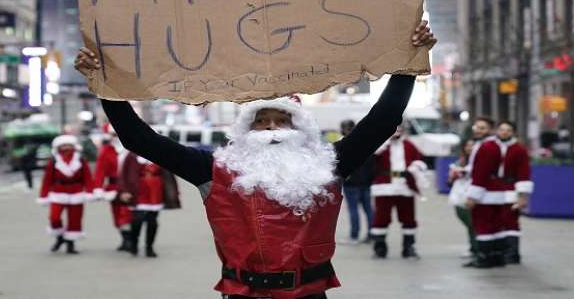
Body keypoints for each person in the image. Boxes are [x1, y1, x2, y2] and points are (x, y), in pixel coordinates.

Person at [74, 21, 435, 298]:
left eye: (281, 120)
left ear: (300, 127)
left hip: (310, 294)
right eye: (261, 121)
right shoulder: (213, 169)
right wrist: (104, 85)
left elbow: (383, 120)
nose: (272, 129)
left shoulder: (328, 165)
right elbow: (140, 139)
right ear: (246, 130)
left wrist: (409, 63)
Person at [369, 124, 425, 259]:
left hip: (405, 185)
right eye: (393, 129)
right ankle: (379, 247)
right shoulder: (380, 145)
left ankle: (409, 247)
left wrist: (415, 167)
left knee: (408, 218)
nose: (396, 132)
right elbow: (371, 157)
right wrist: (384, 142)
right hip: (384, 186)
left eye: (399, 129)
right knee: (381, 218)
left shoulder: (408, 144)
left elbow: (419, 160)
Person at [463, 117, 511, 269]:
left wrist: (472, 196)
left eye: (482, 128)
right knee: (496, 225)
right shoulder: (490, 145)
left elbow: (481, 173)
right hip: (493, 191)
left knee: (482, 225)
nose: (478, 130)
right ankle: (497, 257)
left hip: (485, 193)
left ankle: (483, 258)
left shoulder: (487, 146)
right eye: (476, 127)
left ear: (490, 130)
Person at [37, 135, 94, 254]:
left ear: (73, 146)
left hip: (76, 192)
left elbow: (87, 177)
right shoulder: (53, 161)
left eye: (68, 145)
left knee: (75, 219)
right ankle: (60, 237)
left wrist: (90, 191)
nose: (66, 147)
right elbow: (47, 179)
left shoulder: (80, 159)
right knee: (54, 217)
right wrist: (44, 195)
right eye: (63, 145)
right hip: (58, 192)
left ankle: (70, 244)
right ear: (58, 147)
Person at [119, 151, 181, 257]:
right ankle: (134, 244)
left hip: (155, 191)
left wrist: (173, 192)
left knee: (152, 221)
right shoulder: (131, 155)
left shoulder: (159, 154)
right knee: (137, 220)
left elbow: (169, 175)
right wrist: (124, 190)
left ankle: (149, 247)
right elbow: (123, 174)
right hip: (138, 191)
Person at [492, 120, 533, 264]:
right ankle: (498, 251)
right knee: (494, 220)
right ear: (497, 131)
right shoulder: (490, 147)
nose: (504, 132)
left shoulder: (519, 150)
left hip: (511, 188)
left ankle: (512, 253)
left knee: (511, 221)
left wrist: (522, 196)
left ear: (513, 132)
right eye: (501, 129)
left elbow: (524, 173)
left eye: (508, 130)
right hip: (493, 188)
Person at [93, 123, 134, 252]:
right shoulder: (106, 151)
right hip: (113, 186)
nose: (116, 136)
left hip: (130, 186)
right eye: (113, 134)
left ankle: (131, 239)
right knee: (117, 214)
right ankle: (125, 239)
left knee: (129, 213)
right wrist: (98, 188)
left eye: (118, 133)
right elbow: (100, 171)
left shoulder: (133, 148)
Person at [338, 119, 375, 245]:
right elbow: (372, 165)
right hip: (365, 183)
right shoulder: (364, 143)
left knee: (354, 210)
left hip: (351, 183)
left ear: (343, 129)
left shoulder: (343, 145)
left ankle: (354, 236)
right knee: (368, 210)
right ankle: (372, 234)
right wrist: (369, 180)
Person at [448, 139, 477, 259]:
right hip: (459, 196)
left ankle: (476, 248)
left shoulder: (480, 160)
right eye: (468, 145)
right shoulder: (460, 161)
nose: (470, 148)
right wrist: (453, 176)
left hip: (474, 195)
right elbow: (449, 181)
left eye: (473, 146)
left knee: (473, 223)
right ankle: (474, 247)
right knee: (468, 222)